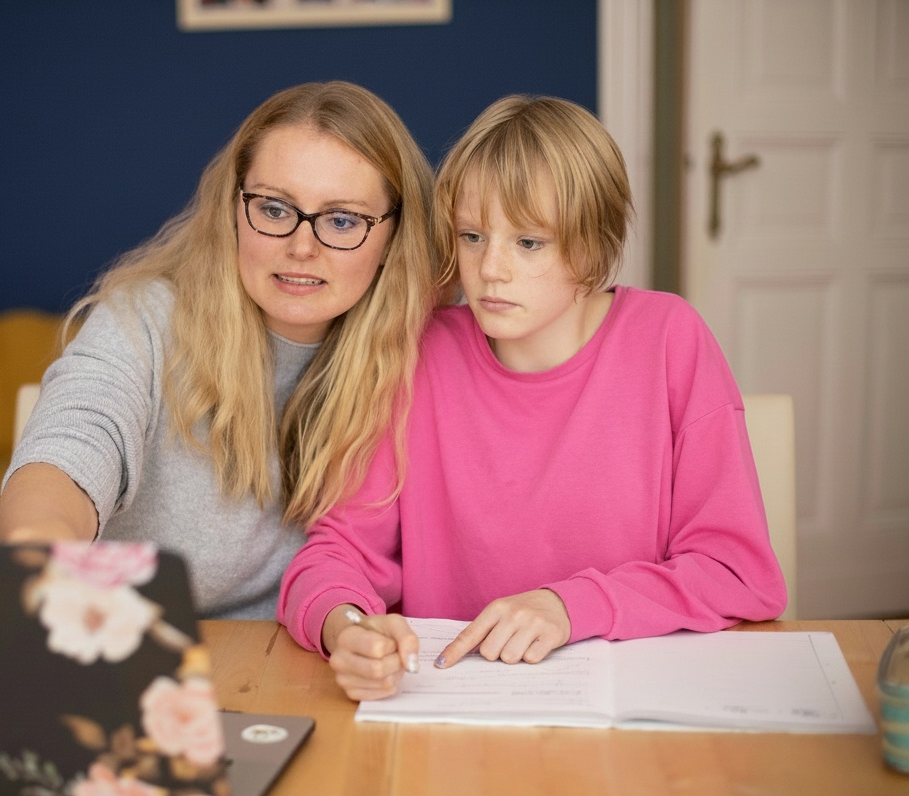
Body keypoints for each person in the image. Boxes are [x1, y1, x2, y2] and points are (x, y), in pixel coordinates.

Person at [277, 94, 788, 699]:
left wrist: (571, 607)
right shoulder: (418, 353)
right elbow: (336, 553)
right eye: (472, 235)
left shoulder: (669, 339)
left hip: (630, 709)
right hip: (451, 709)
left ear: (592, 247)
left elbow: (737, 574)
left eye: (529, 243)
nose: (491, 268)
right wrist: (348, 628)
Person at [0, 81, 439, 620]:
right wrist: (45, 551)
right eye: (275, 209)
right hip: (131, 641)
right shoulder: (146, 318)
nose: (302, 247)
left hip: (303, 657)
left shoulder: (426, 348)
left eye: (342, 220)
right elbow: (73, 441)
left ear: (394, 233)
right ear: (234, 208)